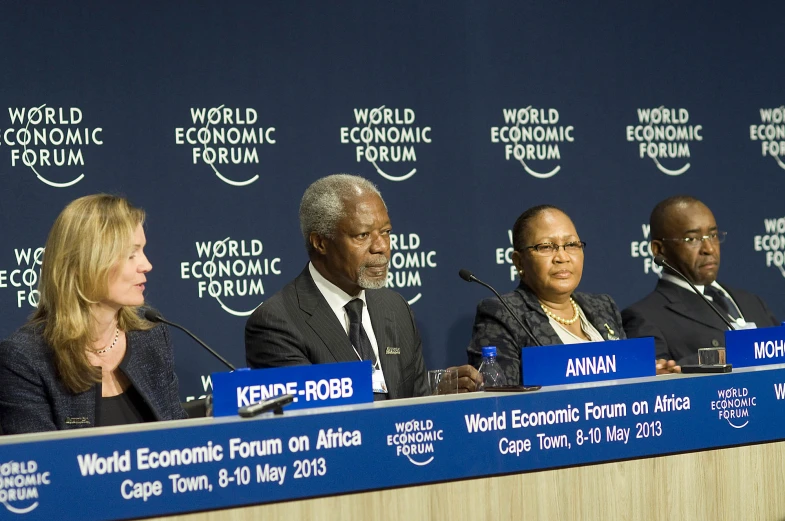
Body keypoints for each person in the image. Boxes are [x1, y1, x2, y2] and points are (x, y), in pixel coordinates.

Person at [245, 174, 481, 399]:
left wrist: (436, 397)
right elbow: (308, 426)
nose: (381, 247)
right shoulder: (277, 323)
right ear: (320, 243)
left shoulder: (395, 308)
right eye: (362, 235)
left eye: (386, 232)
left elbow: (412, 404)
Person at [0, 195, 187, 434]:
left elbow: (180, 441)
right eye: (131, 254)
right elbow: (41, 466)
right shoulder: (25, 360)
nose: (147, 264)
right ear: (88, 262)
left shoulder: (149, 337)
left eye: (143, 251)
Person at [468, 205, 626, 385]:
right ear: (519, 262)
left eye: (572, 245)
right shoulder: (502, 315)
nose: (562, 257)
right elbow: (499, 396)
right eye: (546, 247)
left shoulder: (603, 306)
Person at [622, 195, 778, 372]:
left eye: (712, 235)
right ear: (659, 249)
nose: (709, 249)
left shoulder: (751, 302)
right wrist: (729, 355)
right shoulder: (643, 318)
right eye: (692, 239)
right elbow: (658, 385)